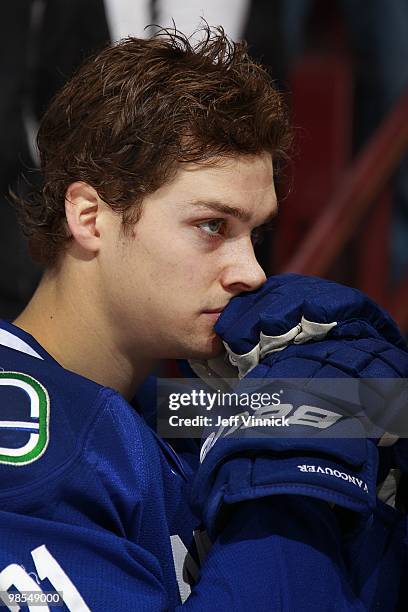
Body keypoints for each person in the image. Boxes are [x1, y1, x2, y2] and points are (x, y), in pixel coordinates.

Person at [0, 25, 406, 611]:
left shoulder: (163, 403)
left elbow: (374, 412)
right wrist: (291, 486)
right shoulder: (26, 444)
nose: (253, 272)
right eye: (213, 226)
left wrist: (365, 404)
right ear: (90, 217)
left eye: (256, 233)